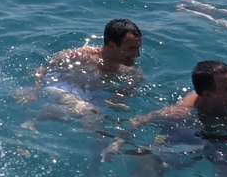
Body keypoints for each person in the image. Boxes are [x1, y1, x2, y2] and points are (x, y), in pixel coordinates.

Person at [16, 18, 145, 124]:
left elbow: (119, 97)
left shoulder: (131, 72)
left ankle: (102, 152)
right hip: (64, 87)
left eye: (138, 48)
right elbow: (43, 69)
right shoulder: (80, 56)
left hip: (91, 93)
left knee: (97, 123)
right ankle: (44, 113)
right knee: (89, 112)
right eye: (131, 49)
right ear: (111, 46)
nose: (137, 54)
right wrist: (35, 90)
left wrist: (119, 105)